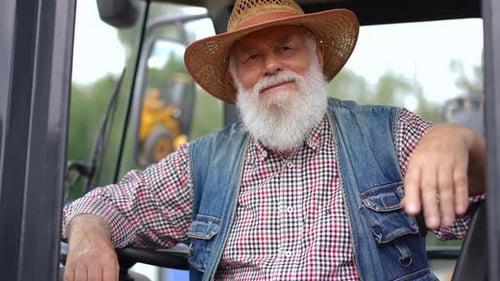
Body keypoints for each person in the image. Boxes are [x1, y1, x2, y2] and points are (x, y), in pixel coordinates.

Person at [62, 0, 486, 280]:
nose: (271, 67)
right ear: (234, 77)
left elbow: (486, 206)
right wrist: (87, 233)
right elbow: (107, 204)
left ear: (316, 57)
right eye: (252, 57)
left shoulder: (388, 135)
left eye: (286, 49)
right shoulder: (206, 161)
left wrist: (461, 141)